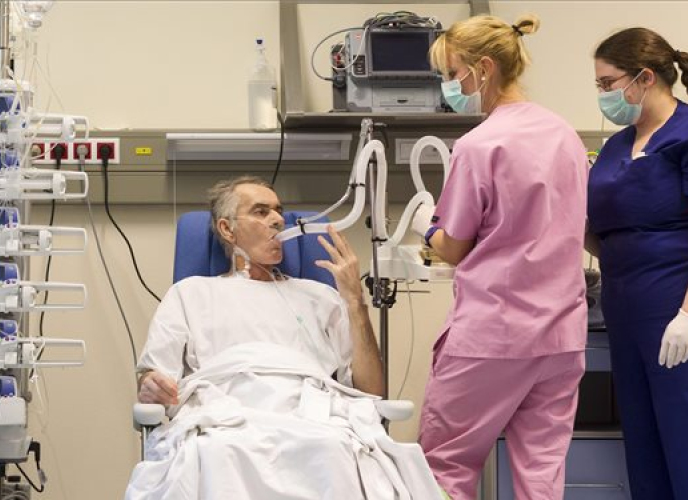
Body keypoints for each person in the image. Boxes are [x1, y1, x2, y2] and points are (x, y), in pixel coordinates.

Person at [125, 176, 448, 500]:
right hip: (225, 413)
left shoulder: (320, 296)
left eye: (278, 211)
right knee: (218, 452)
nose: (277, 220)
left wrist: (354, 301)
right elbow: (154, 376)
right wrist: (152, 384)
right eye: (260, 211)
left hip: (312, 414)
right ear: (227, 229)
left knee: (332, 447)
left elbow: (371, 392)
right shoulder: (190, 294)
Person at [414, 14, 589, 500]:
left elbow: (454, 246)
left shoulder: (479, 144)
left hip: (493, 335)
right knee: (541, 474)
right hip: (559, 336)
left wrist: (427, 225)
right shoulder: (565, 135)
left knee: (445, 466)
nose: (450, 87)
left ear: (484, 68)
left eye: (453, 74)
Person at [587, 27, 688, 500]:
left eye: (608, 83)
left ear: (645, 77)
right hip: (624, 311)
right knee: (644, 448)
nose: (603, 95)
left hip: (674, 312)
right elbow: (607, 236)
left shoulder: (684, 135)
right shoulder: (614, 147)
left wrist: (686, 314)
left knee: (682, 438)